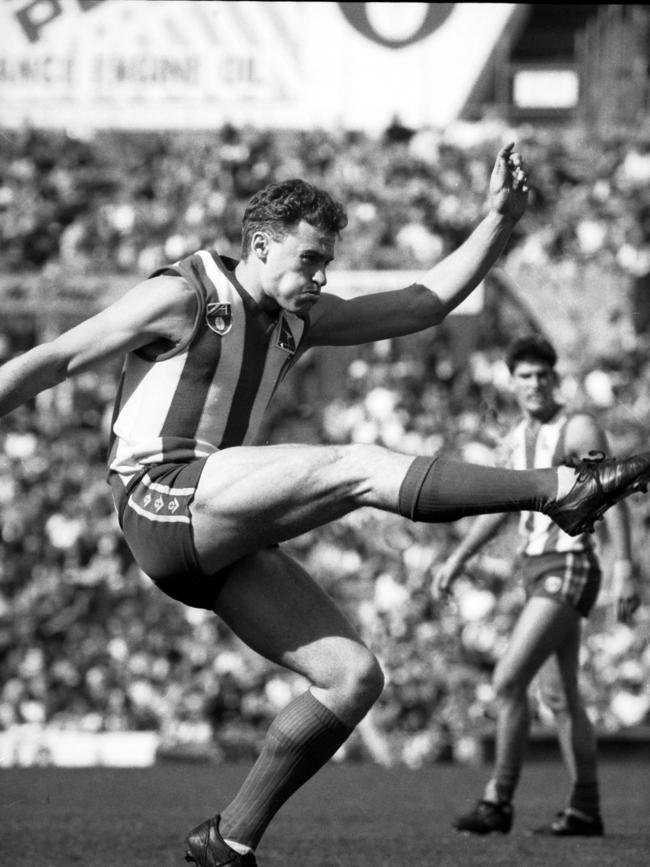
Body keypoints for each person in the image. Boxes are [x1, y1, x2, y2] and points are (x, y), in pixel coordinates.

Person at [1, 144, 649, 867]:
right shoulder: (186, 293)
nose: (321, 276)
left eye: (325, 262)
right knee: (355, 463)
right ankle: (562, 490)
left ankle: (229, 840)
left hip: (213, 531)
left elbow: (423, 302)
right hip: (159, 494)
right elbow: (57, 358)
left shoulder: (294, 320)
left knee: (353, 675)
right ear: (259, 244)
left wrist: (498, 220)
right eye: (309, 259)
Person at [432, 334, 642, 838]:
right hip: (535, 567)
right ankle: (585, 810)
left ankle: (498, 800)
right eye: (524, 376)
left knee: (508, 680)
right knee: (560, 695)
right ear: (513, 382)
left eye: (542, 375)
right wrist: (459, 557)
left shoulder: (578, 427)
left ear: (555, 378)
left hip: (568, 564)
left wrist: (626, 566)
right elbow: (501, 508)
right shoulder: (518, 438)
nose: (534, 384)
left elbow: (611, 491)